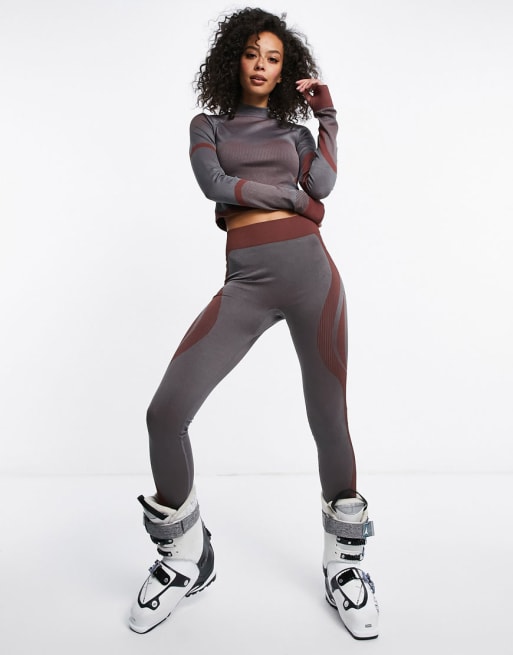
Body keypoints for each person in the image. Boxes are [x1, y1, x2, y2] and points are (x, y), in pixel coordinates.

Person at [128, 7, 379, 640]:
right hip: (246, 282)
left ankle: (345, 564)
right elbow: (215, 184)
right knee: (165, 414)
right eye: (251, 54)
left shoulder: (296, 135)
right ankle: (186, 557)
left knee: (329, 419)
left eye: (273, 57)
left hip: (313, 278)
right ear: (233, 60)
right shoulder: (207, 125)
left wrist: (327, 116)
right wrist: (292, 199)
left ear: (285, 68)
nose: (262, 65)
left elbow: (324, 184)